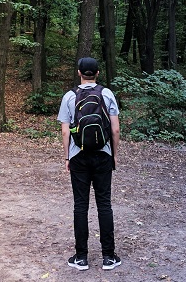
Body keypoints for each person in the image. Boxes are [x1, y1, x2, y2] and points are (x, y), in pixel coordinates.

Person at [57, 57, 122, 271]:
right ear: (97, 73)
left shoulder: (69, 96)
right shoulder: (107, 94)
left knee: (80, 205)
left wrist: (67, 157)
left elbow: (66, 130)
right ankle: (109, 257)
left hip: (78, 156)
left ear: (79, 73)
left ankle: (81, 257)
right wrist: (113, 154)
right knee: (104, 204)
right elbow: (115, 130)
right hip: (103, 154)